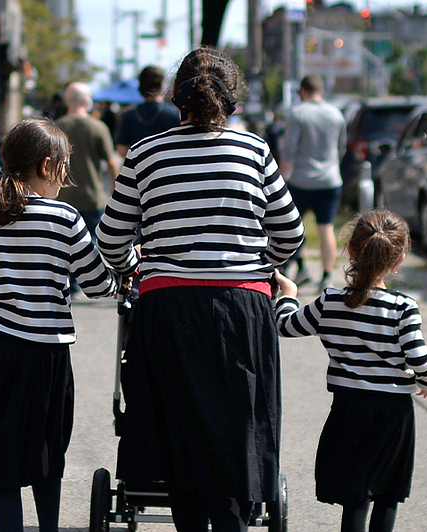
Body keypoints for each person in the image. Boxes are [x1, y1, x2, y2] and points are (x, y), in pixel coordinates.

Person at [96, 46, 305, 531]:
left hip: (167, 307)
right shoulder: (254, 151)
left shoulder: (147, 153)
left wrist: (139, 266)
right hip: (241, 306)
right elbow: (291, 234)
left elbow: (111, 239)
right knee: (236, 426)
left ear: (177, 99)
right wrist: (259, 269)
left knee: (177, 428)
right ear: (233, 101)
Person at [0, 119, 120, 532]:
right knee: (46, 454)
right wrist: (120, 278)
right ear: (46, 165)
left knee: (2, 462)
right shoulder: (64, 218)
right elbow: (97, 285)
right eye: (64, 166)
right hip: (44, 352)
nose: (66, 177)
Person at [273, 209, 427, 532]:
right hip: (393, 415)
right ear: (398, 260)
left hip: (348, 410)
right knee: (387, 495)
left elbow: (285, 326)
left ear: (350, 250)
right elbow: (419, 357)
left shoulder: (330, 303)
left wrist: (289, 296)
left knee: (356, 495)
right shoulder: (403, 309)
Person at [278, 74, 346, 291]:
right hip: (330, 180)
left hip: (301, 180)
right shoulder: (336, 114)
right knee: (326, 229)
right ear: (321, 90)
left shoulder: (297, 114)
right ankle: (326, 276)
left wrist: (280, 178)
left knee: (292, 227)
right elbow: (341, 147)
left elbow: (289, 151)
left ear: (303, 92)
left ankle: (298, 267)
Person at [56, 82, 119, 235]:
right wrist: (115, 189)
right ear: (86, 101)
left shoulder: (56, 128)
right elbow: (111, 161)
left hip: (64, 198)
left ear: (67, 101)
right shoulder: (98, 127)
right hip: (93, 198)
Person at [114, 65, 180, 157]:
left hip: (139, 168)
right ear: (162, 85)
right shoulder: (175, 114)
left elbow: (121, 148)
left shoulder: (129, 115)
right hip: (168, 167)